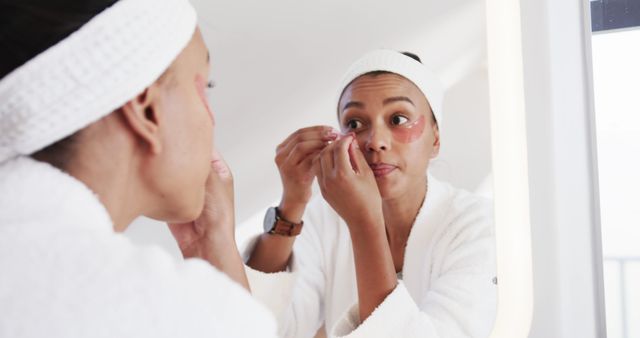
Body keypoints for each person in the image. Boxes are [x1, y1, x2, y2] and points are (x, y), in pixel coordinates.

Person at [0, 1, 276, 337]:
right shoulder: (179, 315)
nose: (211, 118)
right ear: (147, 111)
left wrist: (209, 243)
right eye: (206, 88)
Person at [244, 50, 497, 338]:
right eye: (354, 124)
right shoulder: (324, 218)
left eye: (399, 119)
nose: (375, 141)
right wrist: (292, 202)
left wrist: (365, 222)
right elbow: (265, 328)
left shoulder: (478, 228)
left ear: (436, 140)